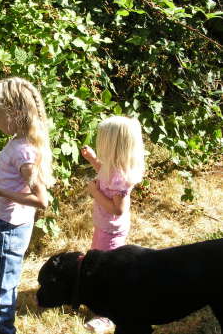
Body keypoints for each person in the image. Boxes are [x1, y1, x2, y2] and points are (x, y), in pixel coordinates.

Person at [0, 76, 55, 334]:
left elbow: (42, 200)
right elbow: (11, 173)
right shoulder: (19, 142)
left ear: (17, 114)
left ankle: (4, 329)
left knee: (1, 282)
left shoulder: (23, 152)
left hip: (11, 227)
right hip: (7, 223)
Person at [80, 115, 145, 333]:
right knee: (97, 260)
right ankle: (98, 299)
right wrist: (92, 159)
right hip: (103, 225)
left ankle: (107, 314)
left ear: (113, 145)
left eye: (102, 141)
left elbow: (118, 209)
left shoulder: (121, 177)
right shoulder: (111, 166)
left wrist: (94, 192)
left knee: (108, 269)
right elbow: (103, 170)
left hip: (112, 229)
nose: (99, 143)